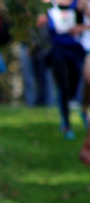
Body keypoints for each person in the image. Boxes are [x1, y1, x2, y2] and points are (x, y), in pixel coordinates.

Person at [42, 0, 86, 139]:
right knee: (64, 87)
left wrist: (80, 28)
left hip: (75, 52)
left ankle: (81, 111)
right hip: (58, 51)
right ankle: (66, 124)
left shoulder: (78, 5)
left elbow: (85, 22)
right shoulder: (49, 6)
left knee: (75, 84)